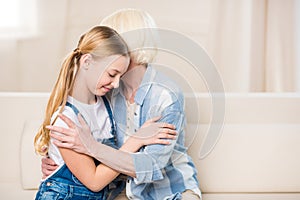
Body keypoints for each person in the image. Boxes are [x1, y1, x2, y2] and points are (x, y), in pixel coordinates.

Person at [43, 8, 201, 200]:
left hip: (169, 192)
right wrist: (61, 164)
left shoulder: (165, 96)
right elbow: (84, 144)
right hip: (122, 190)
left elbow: (151, 167)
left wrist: (92, 147)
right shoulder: (105, 91)